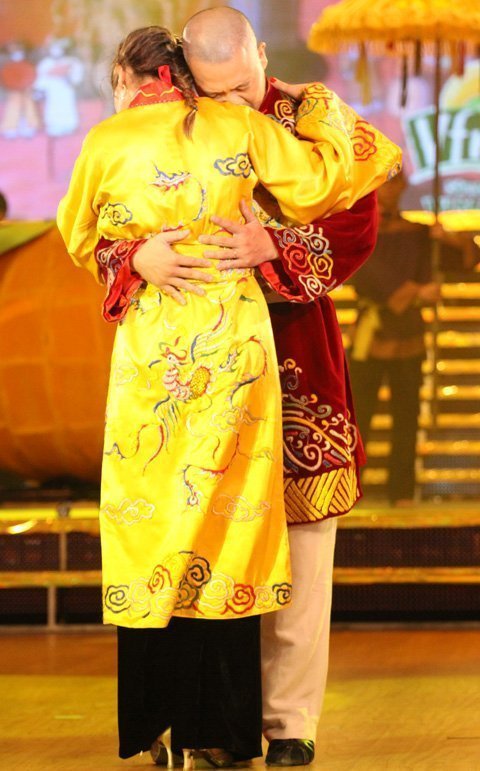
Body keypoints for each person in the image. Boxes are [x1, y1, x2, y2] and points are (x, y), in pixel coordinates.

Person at [57, 26, 399, 767]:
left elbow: (356, 216)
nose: (232, 100)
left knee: (302, 545)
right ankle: (212, 720)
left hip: (293, 352)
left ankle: (290, 721)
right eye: (214, 89)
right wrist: (137, 257)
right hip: (191, 368)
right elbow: (98, 231)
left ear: (261, 57)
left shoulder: (303, 120)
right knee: (199, 538)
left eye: (243, 86)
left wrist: (275, 244)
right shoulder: (169, 126)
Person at [348, 171, 440, 506]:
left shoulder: (418, 233)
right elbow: (364, 270)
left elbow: (464, 258)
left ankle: (401, 492)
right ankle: (350, 490)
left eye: (395, 182)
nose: (390, 189)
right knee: (358, 418)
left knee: (407, 417)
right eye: (385, 182)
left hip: (408, 333)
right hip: (370, 333)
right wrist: (413, 292)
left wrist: (448, 238)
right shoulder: (358, 230)